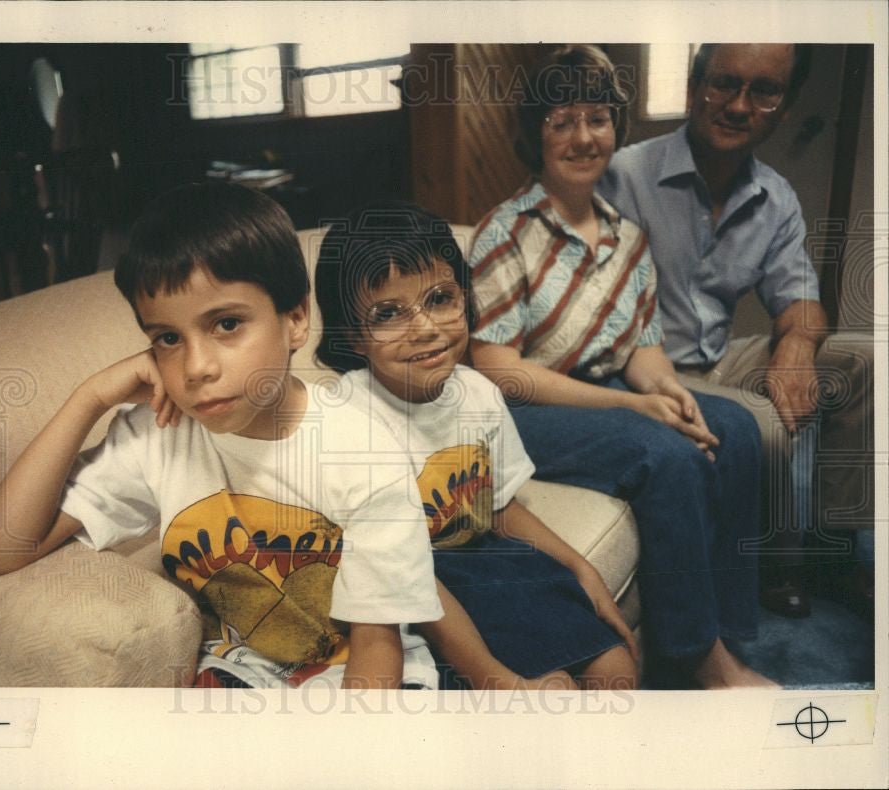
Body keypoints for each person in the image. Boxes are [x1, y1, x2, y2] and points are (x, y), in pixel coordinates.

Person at [0, 181, 444, 689]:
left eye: (226, 324)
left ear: (296, 319)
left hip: (361, 674)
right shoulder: (157, 436)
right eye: (168, 339)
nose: (196, 368)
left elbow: (377, 646)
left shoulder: (361, 446)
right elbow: (1, 549)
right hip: (240, 672)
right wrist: (90, 397)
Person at [468, 45, 776, 688]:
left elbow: (641, 351)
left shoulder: (627, 237)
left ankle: (731, 630)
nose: (584, 137)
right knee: (663, 454)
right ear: (536, 136)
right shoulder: (506, 230)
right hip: (521, 411)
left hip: (600, 392)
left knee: (736, 428)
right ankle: (700, 658)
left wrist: (668, 393)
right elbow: (498, 368)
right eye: (562, 121)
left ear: (616, 126)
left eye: (598, 117)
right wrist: (635, 407)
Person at [314, 201, 639, 690]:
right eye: (388, 313)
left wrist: (580, 567)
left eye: (440, 299)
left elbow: (497, 507)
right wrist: (495, 677)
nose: (425, 327)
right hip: (416, 589)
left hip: (489, 562)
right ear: (353, 337)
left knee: (617, 672)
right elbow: (400, 574)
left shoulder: (478, 393)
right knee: (555, 693)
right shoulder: (346, 416)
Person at [600, 44, 875, 619]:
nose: (740, 105)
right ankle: (777, 565)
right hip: (640, 369)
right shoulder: (625, 173)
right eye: (724, 83)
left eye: (765, 91)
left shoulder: (776, 198)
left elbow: (801, 299)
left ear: (786, 104)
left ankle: (835, 546)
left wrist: (797, 343)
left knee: (863, 360)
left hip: (719, 357)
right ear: (693, 86)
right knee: (767, 423)